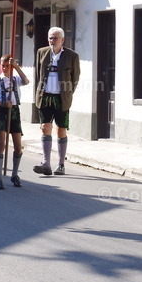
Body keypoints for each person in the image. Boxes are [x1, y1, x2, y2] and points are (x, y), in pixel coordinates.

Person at [32, 26, 81, 176]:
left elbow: (75, 78)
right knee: (45, 128)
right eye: (50, 38)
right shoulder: (42, 52)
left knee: (61, 130)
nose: (52, 41)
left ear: (62, 40)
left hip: (62, 98)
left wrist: (67, 93)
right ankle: (46, 163)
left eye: (55, 38)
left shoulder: (72, 56)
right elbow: (37, 75)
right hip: (45, 96)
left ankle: (61, 165)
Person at [0, 54, 30, 189]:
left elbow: (26, 81)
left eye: (7, 66)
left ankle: (15, 175)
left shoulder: (16, 79)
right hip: (3, 112)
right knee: (1, 144)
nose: (4, 68)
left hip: (15, 112)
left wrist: (16, 66)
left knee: (18, 146)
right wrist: (2, 104)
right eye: (2, 65)